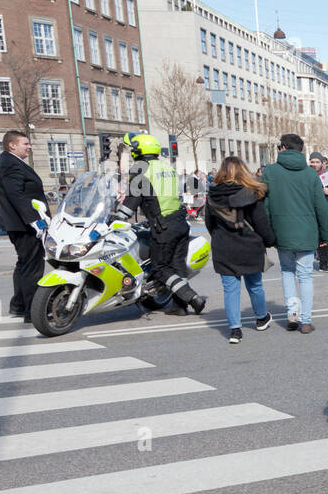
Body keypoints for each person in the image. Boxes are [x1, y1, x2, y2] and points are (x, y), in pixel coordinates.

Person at [116, 133, 206, 315]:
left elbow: (132, 201)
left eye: (132, 149)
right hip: (180, 223)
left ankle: (192, 298)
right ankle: (180, 307)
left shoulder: (140, 170)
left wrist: (116, 219)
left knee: (160, 268)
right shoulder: (167, 168)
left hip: (163, 227)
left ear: (138, 151)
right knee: (177, 266)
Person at [263, 133, 328, 334]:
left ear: (282, 148)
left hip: (282, 231)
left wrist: (266, 233)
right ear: (300, 150)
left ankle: (292, 314)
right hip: (307, 232)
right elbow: (321, 206)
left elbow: (265, 206)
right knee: (305, 276)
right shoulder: (311, 174)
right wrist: (325, 235)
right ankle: (306, 320)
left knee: (287, 271)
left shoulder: (270, 172)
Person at [204, 156, 276, 344]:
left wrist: (220, 237)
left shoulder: (212, 195)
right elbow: (260, 222)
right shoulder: (251, 193)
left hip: (223, 246)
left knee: (230, 289)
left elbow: (209, 223)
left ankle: (235, 330)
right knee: (255, 285)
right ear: (243, 171)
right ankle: (261, 318)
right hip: (249, 245)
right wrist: (270, 240)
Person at [0, 131, 47, 320]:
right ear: (12, 145)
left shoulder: (5, 161)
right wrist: (34, 220)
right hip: (23, 223)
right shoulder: (9, 163)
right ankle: (32, 311)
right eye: (25, 144)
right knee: (32, 266)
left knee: (23, 264)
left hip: (17, 222)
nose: (29, 147)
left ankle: (19, 304)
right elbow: (17, 195)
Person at [308, 151, 328, 272]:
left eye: (317, 162)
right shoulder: (306, 175)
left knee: (324, 238)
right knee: (311, 237)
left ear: (322, 163)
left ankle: (324, 264)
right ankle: (309, 262)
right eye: (312, 161)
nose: (314, 164)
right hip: (310, 211)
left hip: (327, 211)